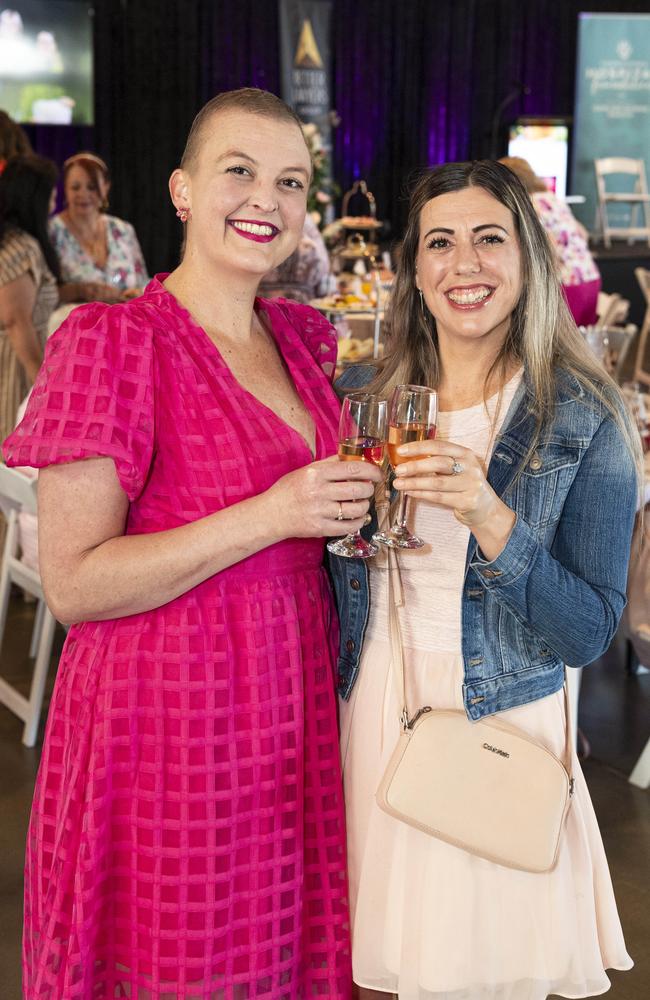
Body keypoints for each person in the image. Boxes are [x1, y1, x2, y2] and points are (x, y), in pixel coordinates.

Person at [4, 87, 382, 998]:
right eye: (239, 172)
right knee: (183, 962)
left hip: (291, 710)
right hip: (165, 725)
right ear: (181, 189)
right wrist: (274, 513)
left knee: (279, 956)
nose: (267, 200)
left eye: (290, 182)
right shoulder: (113, 343)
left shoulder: (303, 338)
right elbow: (76, 585)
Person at [329, 160, 640, 1000]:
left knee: (483, 971)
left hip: (499, 716)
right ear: (415, 271)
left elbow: (586, 633)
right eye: (440, 243)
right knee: (397, 966)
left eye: (489, 239)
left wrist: (488, 514)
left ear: (529, 259)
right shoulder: (367, 397)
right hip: (374, 705)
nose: (464, 264)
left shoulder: (586, 414)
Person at [499, 156, 601, 326]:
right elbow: (583, 233)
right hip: (589, 278)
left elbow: (548, 247)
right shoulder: (551, 198)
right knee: (579, 345)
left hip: (566, 286)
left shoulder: (527, 205)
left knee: (557, 347)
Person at [0, 155, 59, 444]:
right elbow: (16, 321)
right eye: (50, 196)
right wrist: (43, 387)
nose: (53, 204)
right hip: (14, 374)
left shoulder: (15, 242)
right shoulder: (20, 248)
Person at [49, 151, 149, 305]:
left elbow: (142, 283)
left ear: (106, 187)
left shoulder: (123, 230)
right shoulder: (52, 231)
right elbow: (43, 294)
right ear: (65, 189)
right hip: (73, 325)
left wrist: (137, 293)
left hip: (124, 322)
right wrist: (82, 291)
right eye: (75, 187)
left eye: (92, 187)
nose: (83, 194)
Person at [259, 211, 335, 302]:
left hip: (303, 305)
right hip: (259, 305)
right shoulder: (305, 222)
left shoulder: (306, 222)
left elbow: (324, 271)